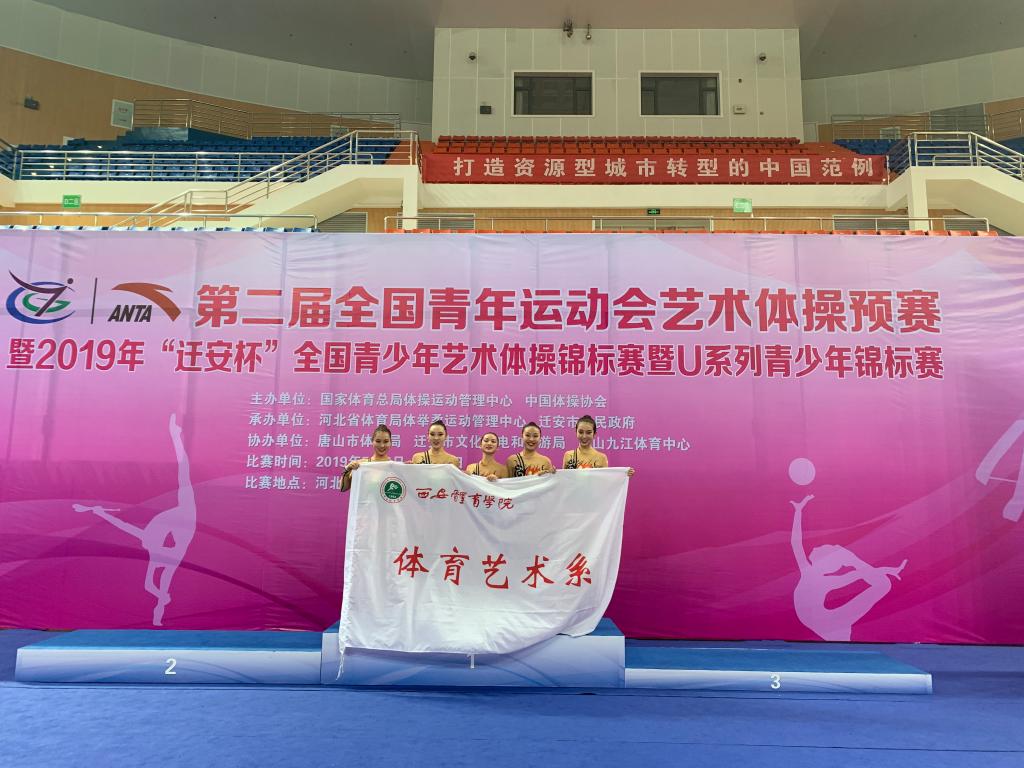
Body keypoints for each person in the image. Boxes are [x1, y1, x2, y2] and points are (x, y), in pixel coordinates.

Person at [72, 413, 195, 627]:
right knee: (153, 585)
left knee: (184, 476)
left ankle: (158, 615)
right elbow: (125, 527)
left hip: (176, 525)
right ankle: (159, 616)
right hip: (175, 526)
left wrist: (100, 513)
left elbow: (125, 526)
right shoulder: (160, 545)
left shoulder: (161, 542)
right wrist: (100, 513)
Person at [790, 493, 908, 641]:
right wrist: (798, 511)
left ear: (825, 561)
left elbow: (796, 543)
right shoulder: (812, 574)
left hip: (826, 622)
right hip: (826, 621)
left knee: (882, 584)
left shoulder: (811, 573)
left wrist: (855, 561)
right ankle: (842, 634)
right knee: (883, 583)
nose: (816, 548)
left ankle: (842, 634)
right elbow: (796, 542)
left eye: (823, 548)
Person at [562, 415, 636, 476]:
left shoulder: (601, 458)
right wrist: (555, 473)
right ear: (576, 432)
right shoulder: (568, 455)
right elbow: (563, 480)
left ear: (594, 434)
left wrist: (624, 475)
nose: (584, 436)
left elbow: (606, 482)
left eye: (588, 432)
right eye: (581, 432)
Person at [340, 424, 394, 492]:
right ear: (372, 441)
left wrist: (406, 468)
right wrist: (347, 470)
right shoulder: (360, 465)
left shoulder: (395, 467)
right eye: (378, 441)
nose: (382, 445)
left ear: (391, 442)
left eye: (386, 441)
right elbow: (343, 488)